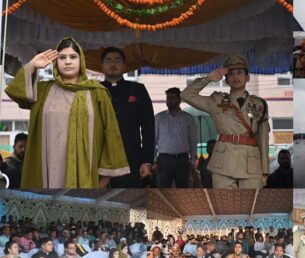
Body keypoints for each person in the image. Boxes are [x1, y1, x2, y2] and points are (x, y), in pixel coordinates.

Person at [5, 37, 129, 188]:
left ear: (81, 61)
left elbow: (111, 132)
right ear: (56, 62)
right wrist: (32, 66)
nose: (68, 61)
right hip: (48, 168)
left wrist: (107, 172)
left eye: (73, 57)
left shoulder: (97, 92)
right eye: (62, 57)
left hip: (86, 169)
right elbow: (17, 94)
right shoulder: (43, 90)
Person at [181, 54, 270, 189]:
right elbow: (186, 95)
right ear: (226, 79)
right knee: (225, 205)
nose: (236, 77)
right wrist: (208, 79)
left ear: (247, 77)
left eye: (240, 72)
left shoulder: (259, 104)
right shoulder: (217, 101)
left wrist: (264, 171)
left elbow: (262, 137)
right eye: (231, 74)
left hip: (251, 165)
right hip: (223, 165)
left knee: (250, 204)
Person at [100, 47, 154, 187]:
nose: (113, 64)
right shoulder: (95, 90)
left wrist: (147, 160)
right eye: (108, 60)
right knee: (104, 200)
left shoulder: (137, 89)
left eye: (117, 60)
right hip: (101, 159)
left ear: (124, 66)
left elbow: (148, 127)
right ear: (102, 66)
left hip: (132, 159)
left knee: (134, 201)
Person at [154, 87, 197, 188]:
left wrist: (193, 161)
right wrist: (154, 161)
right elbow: (153, 140)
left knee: (183, 190)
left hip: (182, 160)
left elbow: (193, 140)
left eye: (172, 98)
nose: (169, 101)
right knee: (164, 191)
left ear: (179, 100)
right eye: (167, 98)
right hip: (164, 160)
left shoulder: (188, 118)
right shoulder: (159, 118)